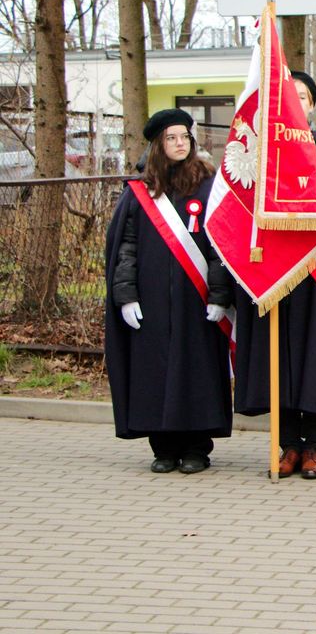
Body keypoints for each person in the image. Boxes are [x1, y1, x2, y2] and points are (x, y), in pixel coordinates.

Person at [231, 70, 316, 479]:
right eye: (288, 95)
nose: (295, 101)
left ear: (313, 105)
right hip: (274, 275)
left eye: (302, 96)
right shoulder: (262, 151)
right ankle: (288, 447)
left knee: (315, 361)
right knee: (279, 361)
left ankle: (314, 448)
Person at [104, 108, 233, 474]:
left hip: (197, 299)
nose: (180, 144)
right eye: (172, 138)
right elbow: (125, 248)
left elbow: (220, 246)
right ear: (159, 145)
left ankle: (196, 448)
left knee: (197, 371)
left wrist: (219, 296)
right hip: (152, 301)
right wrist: (125, 295)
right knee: (155, 371)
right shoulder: (139, 192)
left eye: (185, 138)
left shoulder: (208, 185)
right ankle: (163, 448)